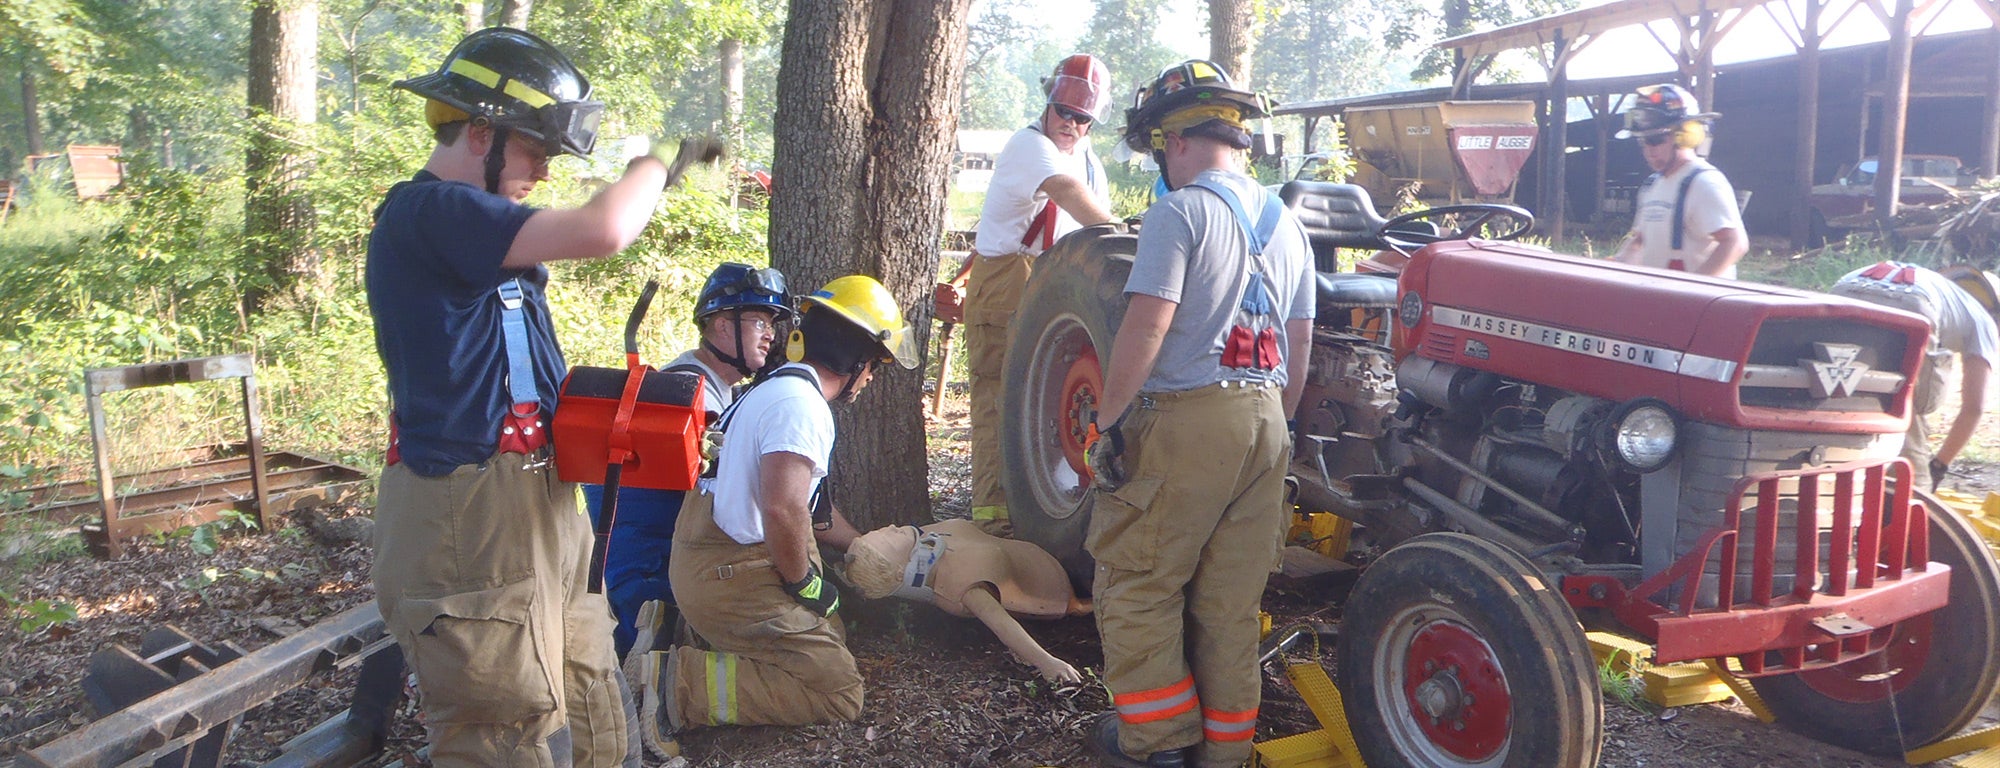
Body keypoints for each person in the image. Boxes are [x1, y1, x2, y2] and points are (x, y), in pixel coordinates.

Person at [367, 27, 682, 767]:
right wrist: (656, 165)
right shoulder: (427, 213)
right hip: (466, 519)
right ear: (481, 130)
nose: (542, 171)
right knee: (500, 723)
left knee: (588, 686)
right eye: (536, 150)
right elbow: (606, 228)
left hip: (538, 502)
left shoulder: (484, 235)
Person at [1085, 60, 1314, 768]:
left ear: (1175, 141)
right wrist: (1273, 423)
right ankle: (1224, 753)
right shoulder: (1290, 228)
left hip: (1185, 420)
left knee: (1138, 583)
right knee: (1228, 604)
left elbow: (1147, 328)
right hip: (1268, 421)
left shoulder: (1178, 212)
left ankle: (1155, 746)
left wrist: (1110, 422)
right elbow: (1299, 348)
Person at [636, 275, 915, 756]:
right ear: (856, 360)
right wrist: (804, 583)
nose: (870, 379)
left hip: (717, 565)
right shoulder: (800, 407)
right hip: (729, 574)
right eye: (873, 366)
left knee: (832, 632)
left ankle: (687, 635)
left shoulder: (780, 389)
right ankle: (675, 684)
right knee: (838, 691)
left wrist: (866, 548)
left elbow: (813, 514)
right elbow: (783, 509)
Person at [581, 262, 791, 661]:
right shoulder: (692, 397)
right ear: (723, 326)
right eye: (759, 322)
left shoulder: (710, 389)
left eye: (772, 325)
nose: (770, 336)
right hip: (647, 576)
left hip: (657, 562)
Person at [945, 53, 1117, 537]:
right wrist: (1121, 234)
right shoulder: (1029, 145)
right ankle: (993, 518)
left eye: (1082, 117)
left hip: (1055, 279)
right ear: (1049, 103)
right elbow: (1068, 195)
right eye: (1064, 111)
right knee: (999, 399)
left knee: (1044, 403)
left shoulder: (1089, 159)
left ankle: (1040, 512)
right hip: (1006, 277)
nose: (1071, 124)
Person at [842, 519, 1094, 683]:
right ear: (904, 572)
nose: (893, 526)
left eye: (889, 529)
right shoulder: (959, 587)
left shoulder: (928, 539)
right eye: (892, 537)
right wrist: (1047, 662)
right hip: (1056, 585)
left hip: (1033, 550)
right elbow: (1001, 624)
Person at [1828, 261, 1999, 490]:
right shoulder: (1984, 321)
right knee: (1907, 403)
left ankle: (1831, 467)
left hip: (1846, 286)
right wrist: (1939, 466)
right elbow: (1974, 408)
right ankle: (1909, 490)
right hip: (1914, 303)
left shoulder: (1947, 294)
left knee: (1841, 385)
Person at [1612, 84, 1748, 279]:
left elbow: (1735, 243)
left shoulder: (1705, 183)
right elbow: (1638, 242)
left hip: (1703, 304)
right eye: (1643, 142)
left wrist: (1693, 290)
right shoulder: (1652, 186)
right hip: (1667, 300)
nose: (1649, 150)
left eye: (1656, 140)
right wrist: (1615, 269)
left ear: (1685, 135)